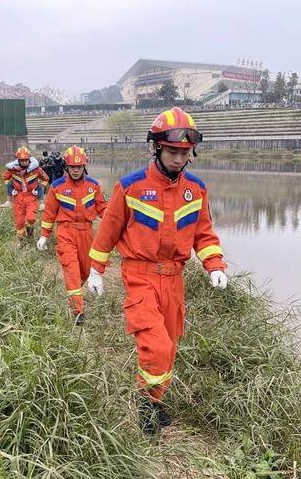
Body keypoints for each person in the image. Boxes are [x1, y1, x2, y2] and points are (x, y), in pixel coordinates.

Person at [85, 107, 228, 435]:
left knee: (170, 345)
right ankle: (144, 404)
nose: (179, 159)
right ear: (158, 148)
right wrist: (95, 271)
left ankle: (154, 400)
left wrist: (214, 265)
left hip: (174, 279)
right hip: (140, 276)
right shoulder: (130, 187)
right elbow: (106, 233)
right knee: (156, 345)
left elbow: (204, 234)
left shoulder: (196, 189)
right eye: (173, 151)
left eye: (185, 152)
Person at [37, 145, 107, 325]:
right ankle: (78, 311)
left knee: (85, 270)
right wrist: (44, 235)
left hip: (87, 232)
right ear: (67, 167)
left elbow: (103, 210)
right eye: (72, 167)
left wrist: (118, 225)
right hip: (65, 232)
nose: (76, 170)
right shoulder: (57, 187)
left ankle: (75, 292)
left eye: (79, 166)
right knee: (72, 270)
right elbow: (49, 213)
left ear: (84, 166)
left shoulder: (93, 186)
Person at [2, 146, 49, 244]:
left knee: (31, 218)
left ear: (29, 159)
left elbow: (46, 178)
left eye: (26, 160)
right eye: (22, 160)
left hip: (31, 197)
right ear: (18, 160)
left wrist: (40, 188)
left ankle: (30, 232)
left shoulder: (36, 169)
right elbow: (4, 177)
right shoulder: (13, 170)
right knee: (19, 222)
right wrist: (11, 189)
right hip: (18, 198)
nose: (24, 162)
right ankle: (21, 242)